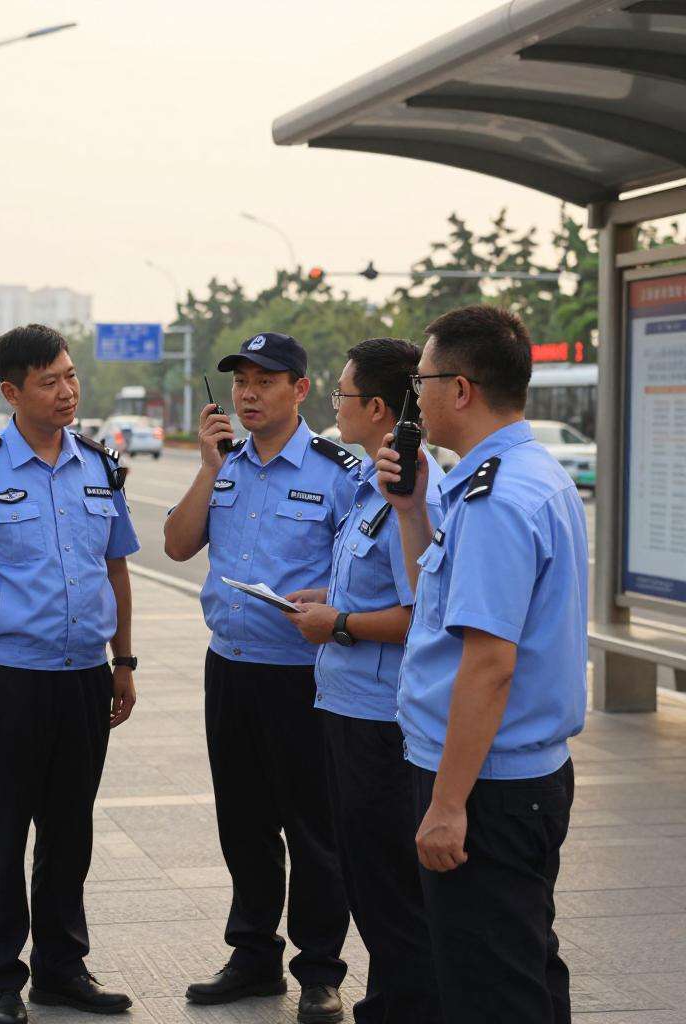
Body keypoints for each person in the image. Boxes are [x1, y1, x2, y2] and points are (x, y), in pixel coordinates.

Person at [375, 306, 587, 1024]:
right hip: (513, 776)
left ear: (460, 389)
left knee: (488, 988)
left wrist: (447, 804)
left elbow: (490, 662)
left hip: (486, 787)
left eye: (422, 381)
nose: (417, 398)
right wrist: (410, 513)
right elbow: (437, 599)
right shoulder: (513, 476)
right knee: (521, 962)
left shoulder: (497, 498)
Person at [0, 324, 138, 1024]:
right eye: (49, 381)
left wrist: (124, 661)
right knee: (1, 831)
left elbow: (116, 567)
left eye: (71, 376)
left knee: (69, 829)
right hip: (8, 681)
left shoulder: (100, 466)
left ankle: (61, 967)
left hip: (83, 677)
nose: (67, 391)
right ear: (12, 391)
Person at [164, 332, 359, 1024]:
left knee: (313, 829)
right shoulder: (228, 465)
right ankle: (252, 956)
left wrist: (335, 614)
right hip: (233, 670)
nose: (248, 393)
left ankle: (320, 970)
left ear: (300, 390)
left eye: (266, 381)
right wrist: (207, 468)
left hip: (305, 677)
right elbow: (178, 545)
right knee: (242, 821)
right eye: (241, 381)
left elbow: (363, 575)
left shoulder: (340, 472)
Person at [283, 339, 444, 1024]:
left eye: (342, 395)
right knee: (368, 876)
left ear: (378, 408)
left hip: (382, 719)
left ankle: (403, 1008)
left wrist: (339, 623)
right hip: (348, 708)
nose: (334, 407)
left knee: (387, 887)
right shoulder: (370, 484)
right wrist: (327, 597)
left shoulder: (412, 488)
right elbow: (374, 582)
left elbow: (421, 615)